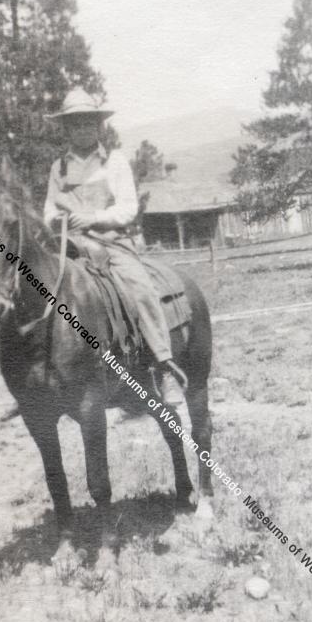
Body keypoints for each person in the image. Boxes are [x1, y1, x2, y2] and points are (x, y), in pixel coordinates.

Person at [44, 87, 186, 405]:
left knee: (140, 288)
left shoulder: (115, 161)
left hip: (111, 244)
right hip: (69, 246)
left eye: (89, 122)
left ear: (99, 126)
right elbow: (49, 211)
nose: (83, 129)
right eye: (76, 123)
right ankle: (43, 372)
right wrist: (58, 222)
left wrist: (91, 218)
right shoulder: (59, 168)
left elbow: (127, 208)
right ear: (66, 129)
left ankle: (164, 367)